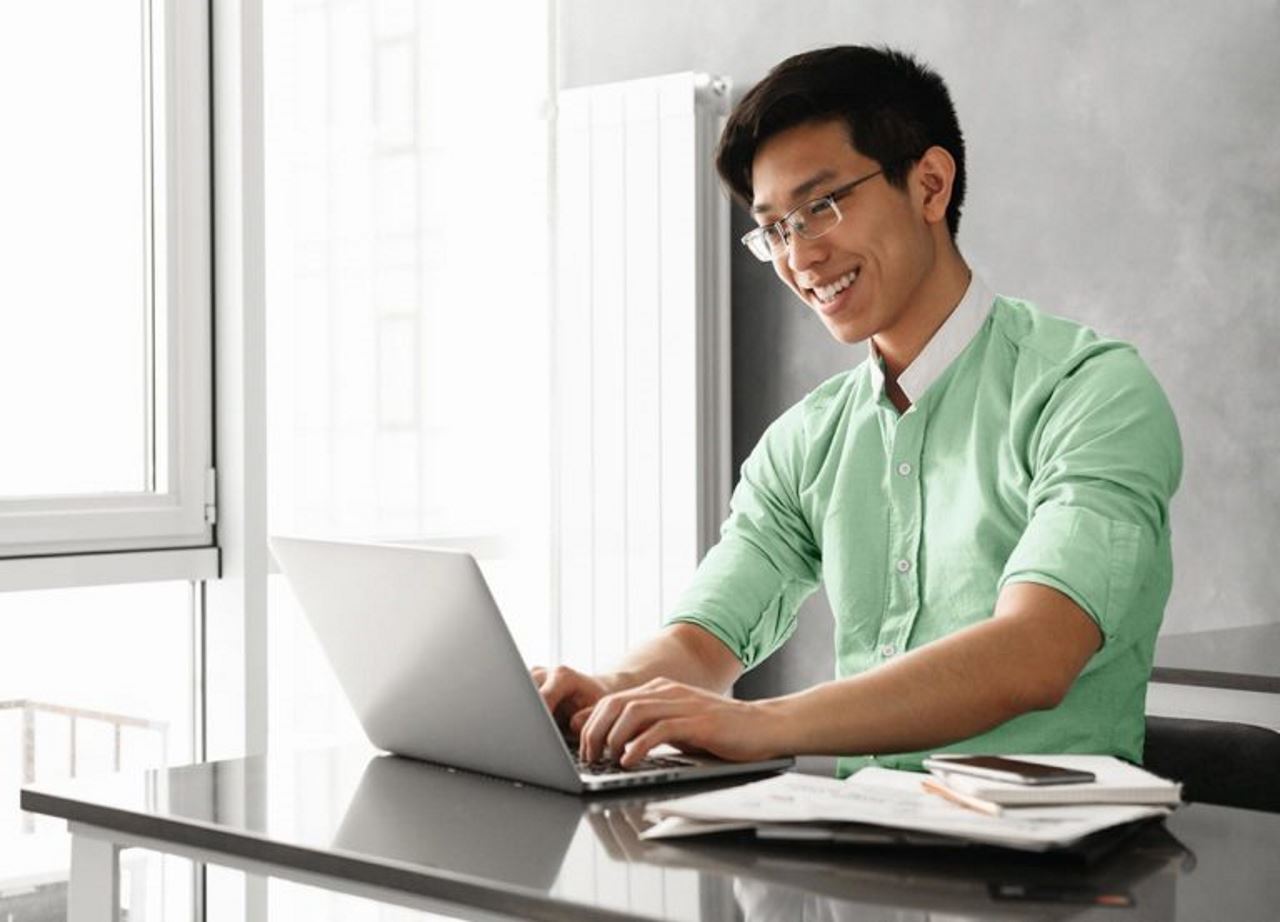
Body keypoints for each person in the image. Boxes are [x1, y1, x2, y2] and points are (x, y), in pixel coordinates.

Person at [533, 45, 1181, 776]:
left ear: (930, 185)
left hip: (1050, 868)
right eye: (775, 228)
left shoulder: (1092, 392)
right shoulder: (807, 441)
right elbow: (704, 639)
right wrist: (615, 691)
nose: (799, 258)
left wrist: (758, 723)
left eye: (820, 207)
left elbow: (1034, 652)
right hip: (859, 851)